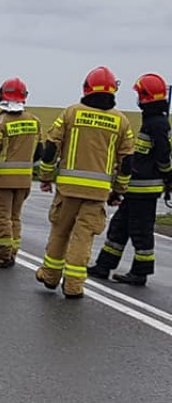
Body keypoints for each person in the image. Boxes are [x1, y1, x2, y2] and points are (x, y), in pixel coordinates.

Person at [35, 66, 135, 299]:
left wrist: (46, 177)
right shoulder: (121, 122)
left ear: (87, 88)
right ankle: (73, 286)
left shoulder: (70, 113)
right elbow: (127, 161)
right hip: (97, 193)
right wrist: (118, 190)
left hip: (67, 190)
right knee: (83, 238)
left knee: (60, 232)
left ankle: (50, 275)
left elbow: (51, 148)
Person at [87, 73, 172, 285]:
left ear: (145, 96)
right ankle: (103, 266)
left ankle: (140, 273)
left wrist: (168, 177)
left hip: (145, 190)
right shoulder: (152, 121)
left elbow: (163, 156)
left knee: (141, 232)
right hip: (135, 188)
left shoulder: (158, 124)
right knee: (119, 227)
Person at [0, 78, 43, 268]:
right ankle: (12, 251)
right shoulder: (34, 121)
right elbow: (39, 152)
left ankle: (2, 255)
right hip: (24, 181)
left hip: (1, 181)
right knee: (14, 218)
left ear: (1, 95)